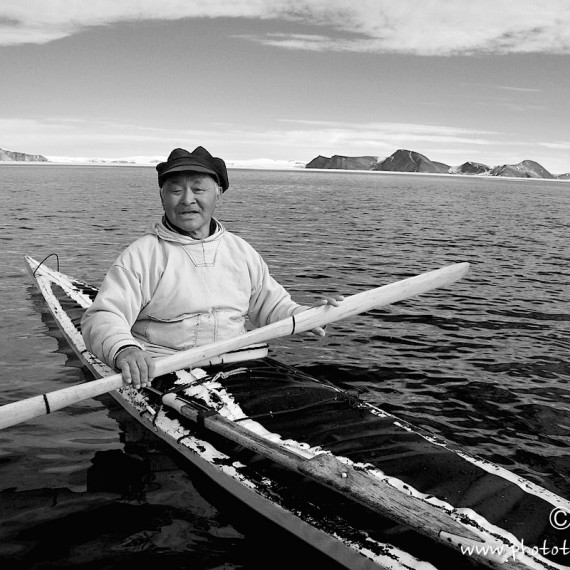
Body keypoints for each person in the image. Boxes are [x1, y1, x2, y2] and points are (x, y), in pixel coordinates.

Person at [81, 146, 343, 389]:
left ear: (218, 194)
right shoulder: (142, 255)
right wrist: (125, 350)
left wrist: (307, 315)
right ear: (162, 197)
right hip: (165, 369)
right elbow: (103, 316)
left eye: (198, 189)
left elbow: (271, 306)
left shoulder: (240, 251)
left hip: (241, 364)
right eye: (175, 190)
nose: (187, 200)